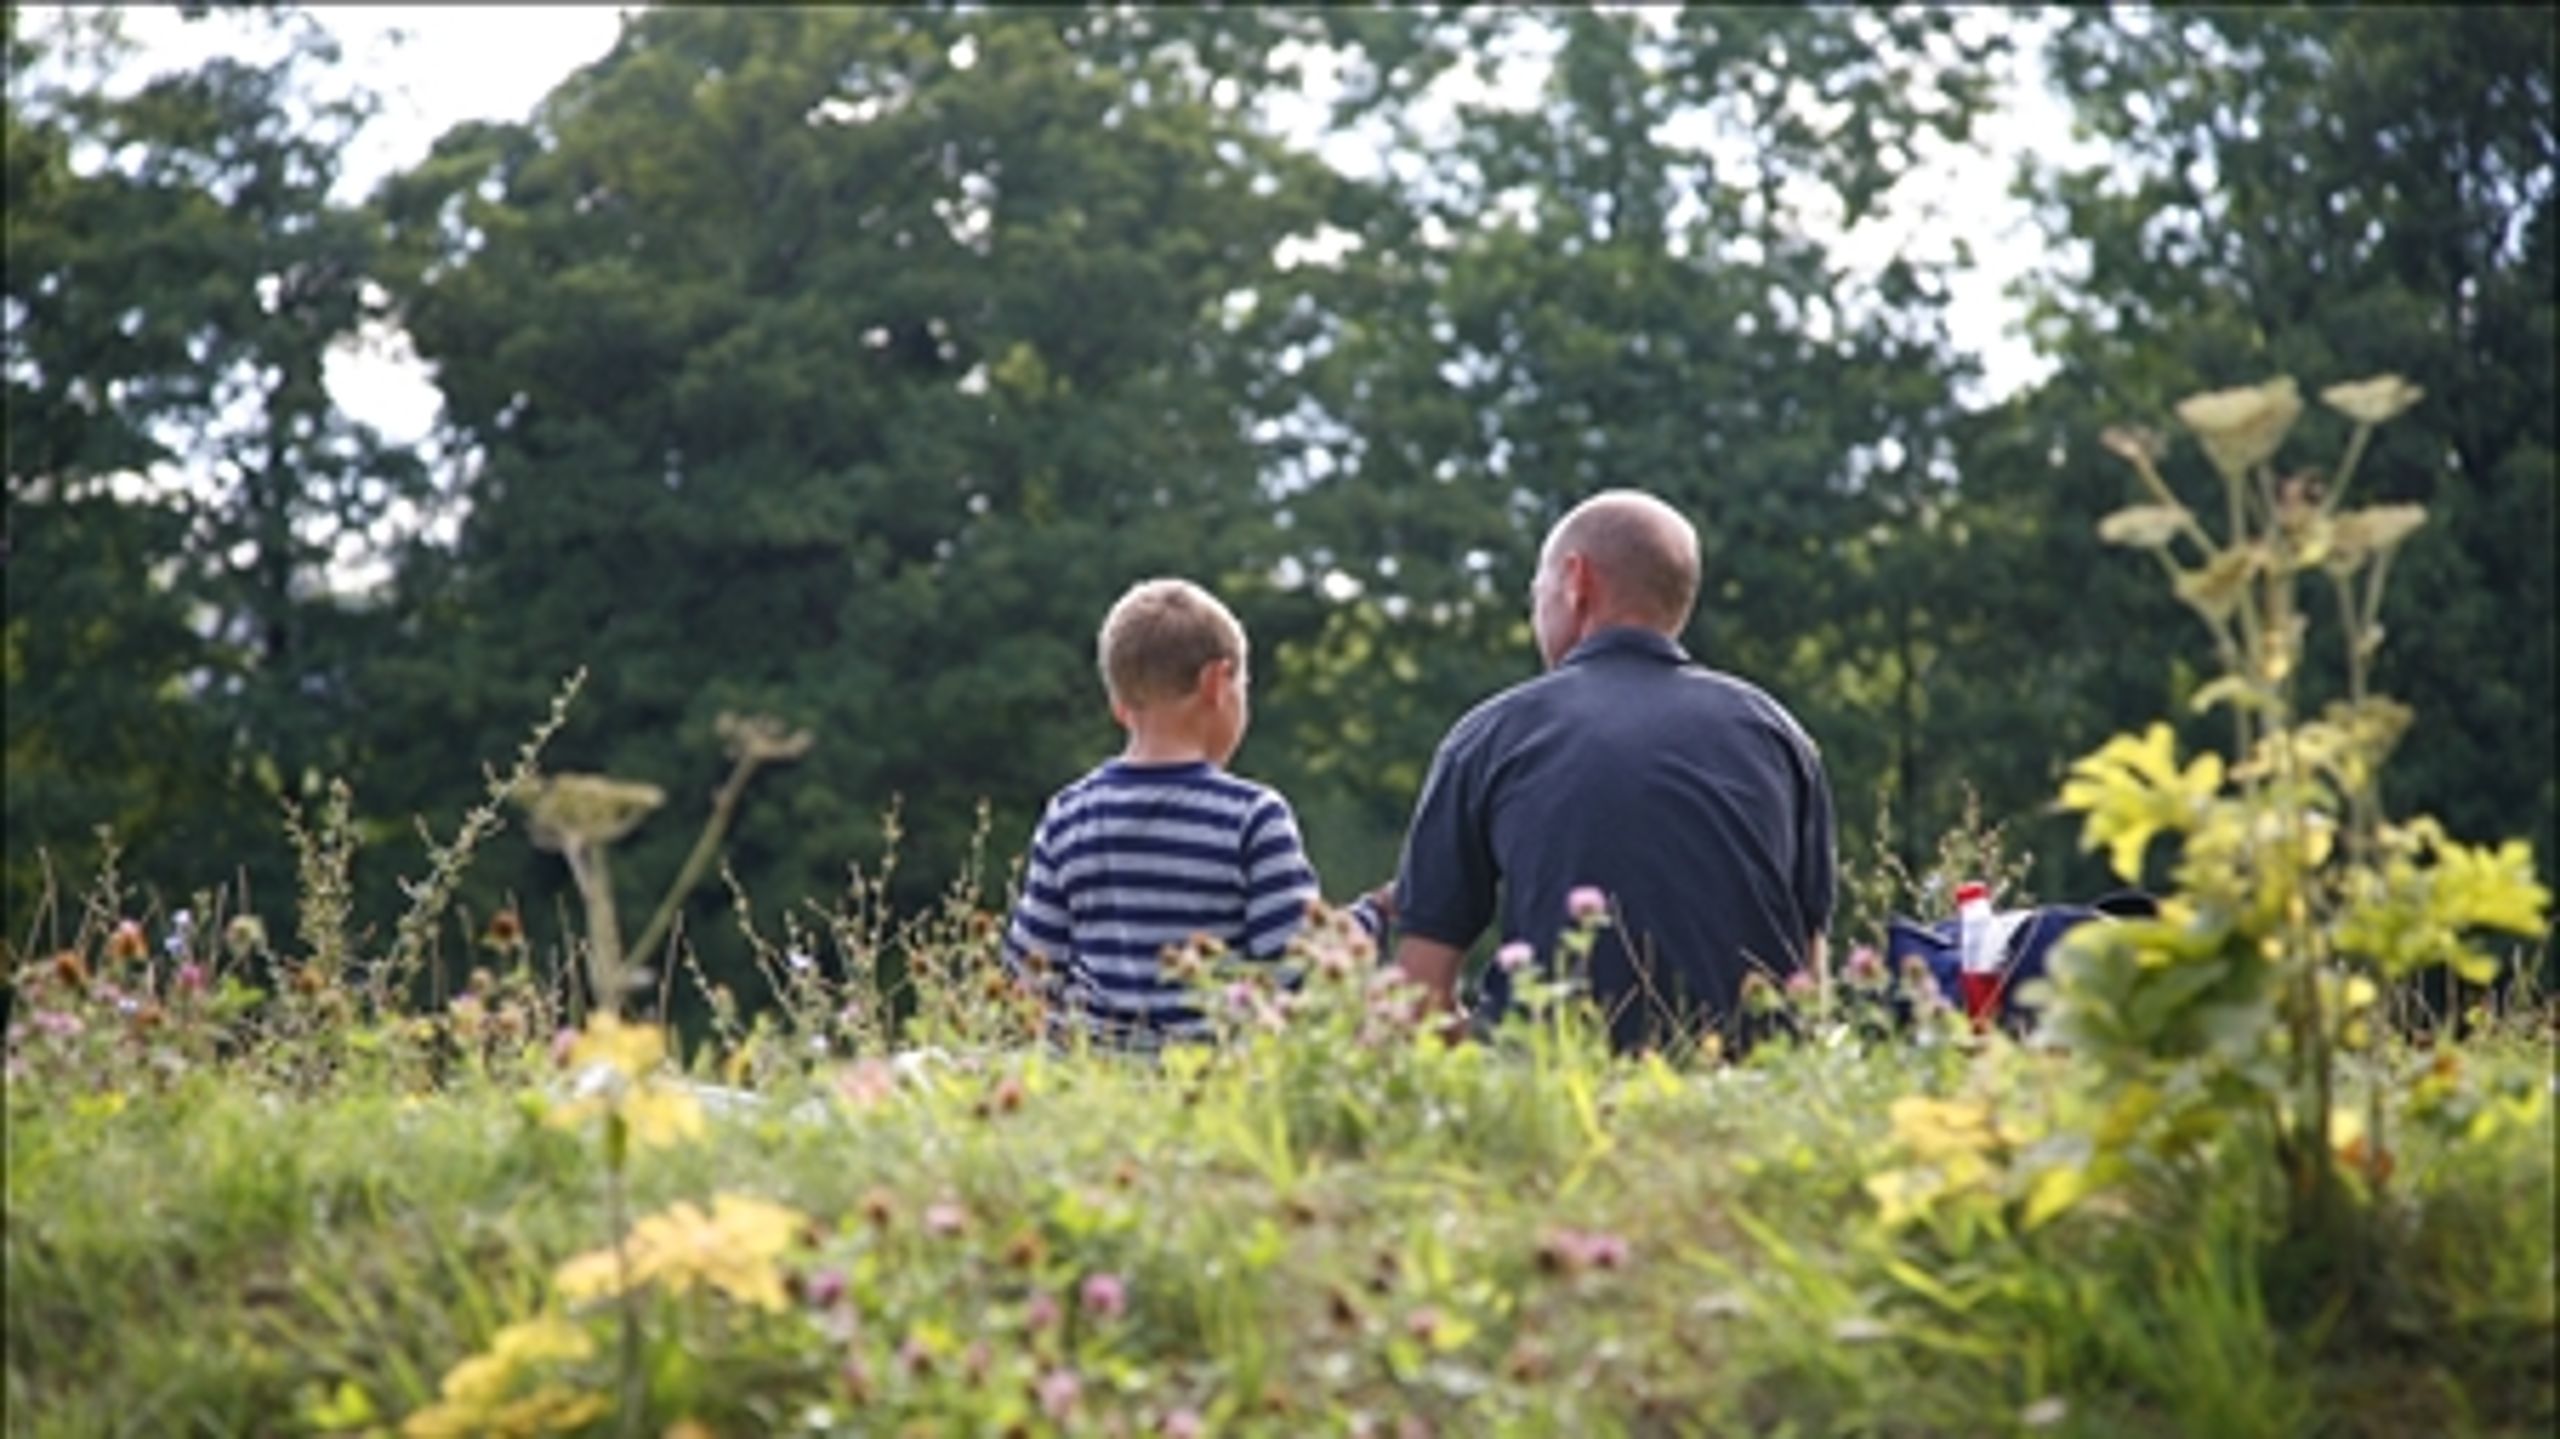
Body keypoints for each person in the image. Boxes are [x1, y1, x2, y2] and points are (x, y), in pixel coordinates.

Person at [1390, 489, 1835, 1054]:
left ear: (1576, 581)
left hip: (1557, 1104)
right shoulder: (1778, 737)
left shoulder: (1491, 736)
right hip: (1748, 1103)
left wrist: (1487, 1059)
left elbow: (1418, 998)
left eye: (1538, 593)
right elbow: (1809, 986)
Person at [1003, 578, 1389, 1053]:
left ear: (1119, 705)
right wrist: (1374, 916)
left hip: (1092, 1093)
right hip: (1206, 1092)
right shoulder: (1251, 817)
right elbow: (1300, 972)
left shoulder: (1068, 814)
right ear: (1216, 682)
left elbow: (1029, 976)